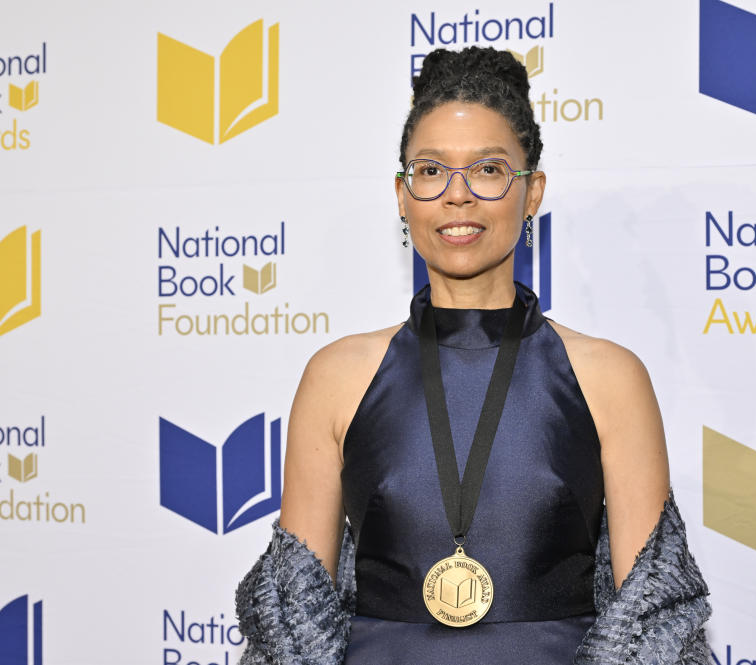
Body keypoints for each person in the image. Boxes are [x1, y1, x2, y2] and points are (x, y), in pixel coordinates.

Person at [235, 46, 710, 665]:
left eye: (487, 170)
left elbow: (652, 627)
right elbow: (290, 631)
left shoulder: (610, 377)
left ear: (531, 190)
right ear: (403, 195)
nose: (457, 196)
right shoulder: (336, 376)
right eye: (431, 170)